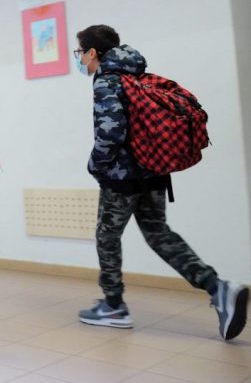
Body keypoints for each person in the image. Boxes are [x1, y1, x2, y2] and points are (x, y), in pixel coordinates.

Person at [74, 24, 248, 340]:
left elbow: (111, 133)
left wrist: (95, 165)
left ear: (93, 52)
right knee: (158, 233)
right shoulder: (137, 75)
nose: (79, 59)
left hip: (122, 178)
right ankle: (218, 288)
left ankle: (113, 306)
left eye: (80, 52)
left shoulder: (107, 82)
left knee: (107, 236)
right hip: (154, 171)